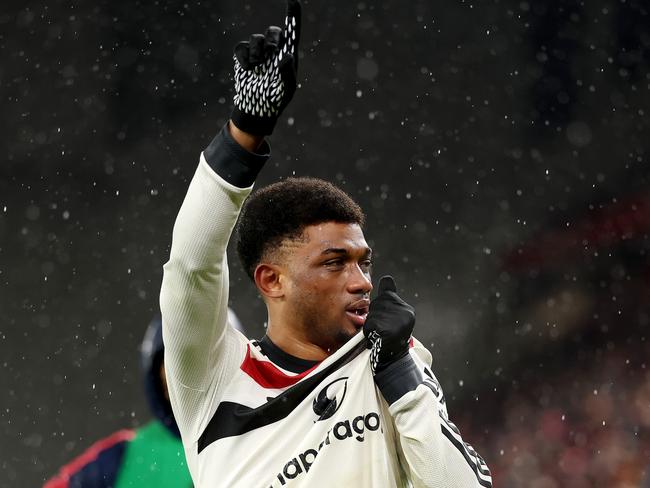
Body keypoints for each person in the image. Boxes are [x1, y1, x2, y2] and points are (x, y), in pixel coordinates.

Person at [159, 1, 492, 486]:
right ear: (271, 279)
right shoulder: (216, 382)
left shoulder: (390, 361)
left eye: (363, 263)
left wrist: (401, 379)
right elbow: (191, 267)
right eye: (335, 263)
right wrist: (242, 135)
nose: (361, 284)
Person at [43, 310, 247, 487]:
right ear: (157, 373)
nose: (187, 374)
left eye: (204, 356)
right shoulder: (124, 456)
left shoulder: (267, 440)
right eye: (175, 358)